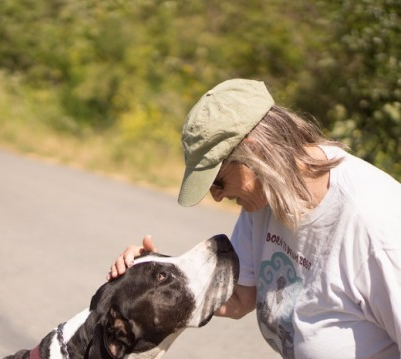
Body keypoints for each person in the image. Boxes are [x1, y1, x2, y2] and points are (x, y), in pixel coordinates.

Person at [108, 79, 401, 358]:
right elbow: (237, 299)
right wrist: (151, 278)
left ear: (255, 150)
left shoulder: (378, 231)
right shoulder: (265, 200)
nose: (217, 196)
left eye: (218, 181)